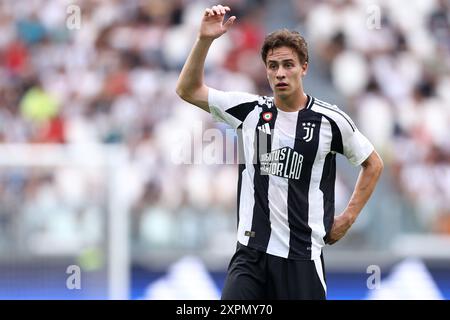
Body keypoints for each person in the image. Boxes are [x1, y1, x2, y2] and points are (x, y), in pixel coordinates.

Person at [176, 4, 383, 300]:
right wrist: (204, 40)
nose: (280, 73)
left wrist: (347, 218)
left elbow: (373, 164)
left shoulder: (330, 121)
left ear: (304, 67)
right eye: (273, 66)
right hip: (251, 254)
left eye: (288, 64)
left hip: (302, 258)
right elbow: (187, 89)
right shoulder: (248, 111)